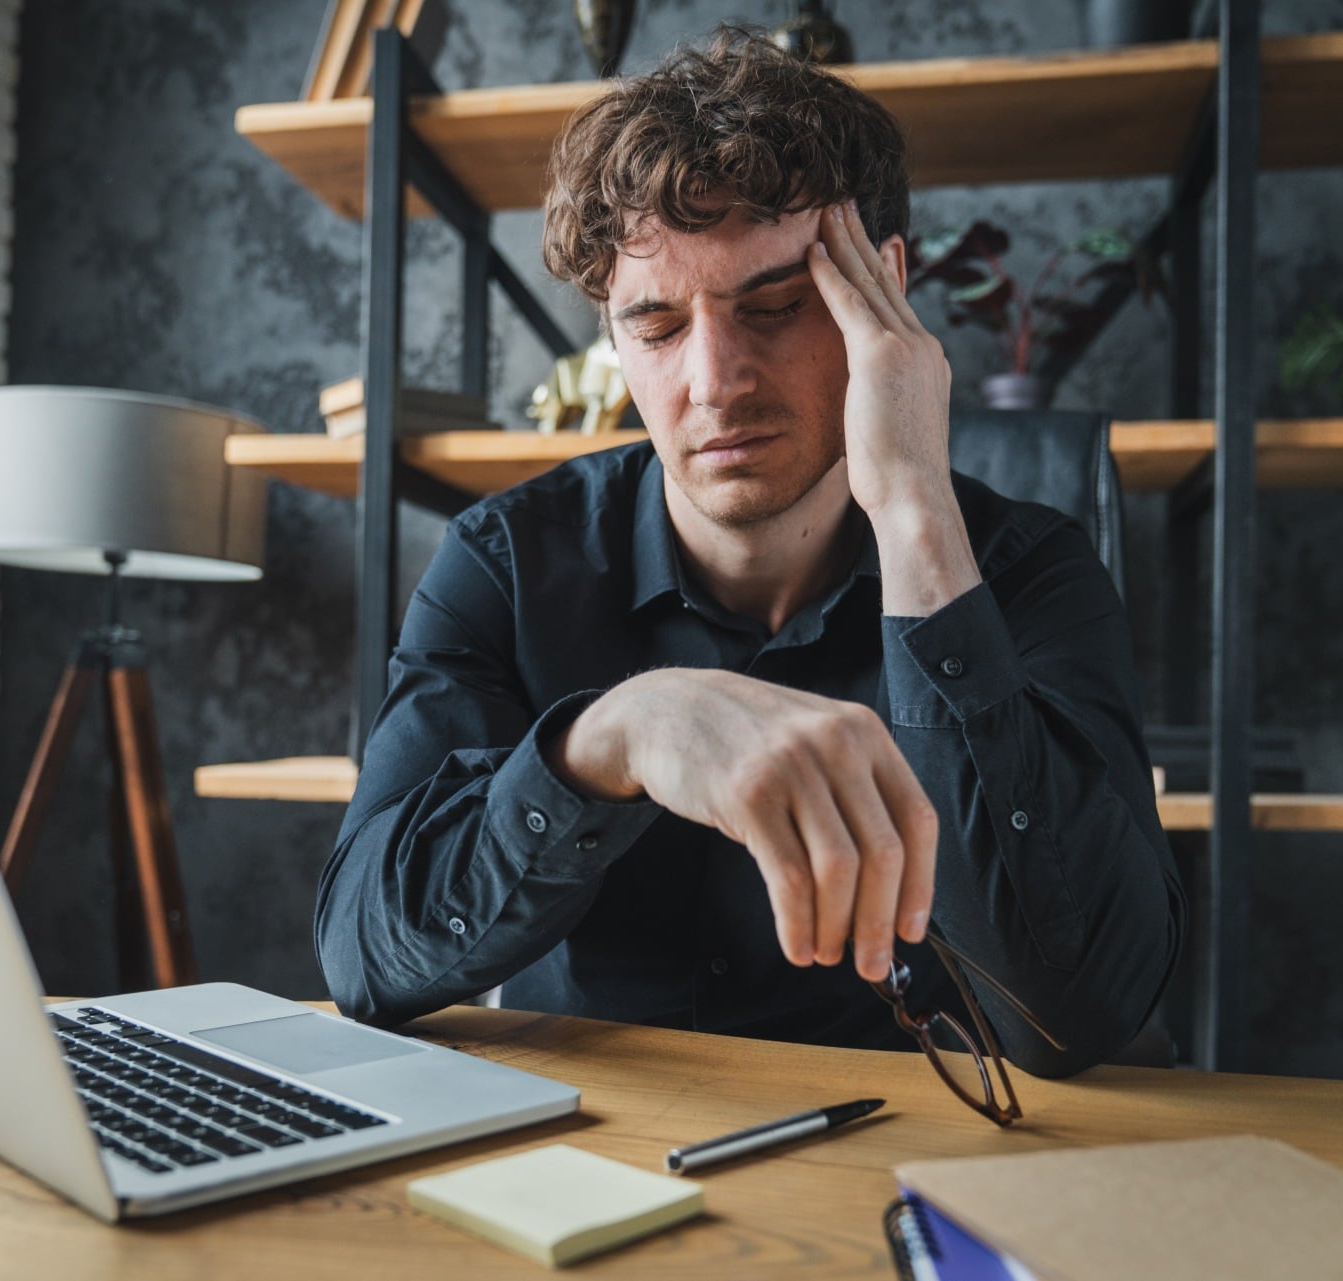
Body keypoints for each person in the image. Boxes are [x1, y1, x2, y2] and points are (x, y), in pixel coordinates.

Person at [314, 27, 1183, 1077]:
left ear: (882, 293)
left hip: (909, 1167)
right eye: (658, 326)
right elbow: (362, 954)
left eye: (774, 306)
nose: (715, 380)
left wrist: (913, 509)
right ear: (612, 336)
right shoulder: (504, 566)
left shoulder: (1029, 569)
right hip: (601, 1170)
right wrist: (609, 740)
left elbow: (1084, 1011)